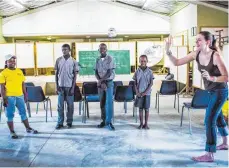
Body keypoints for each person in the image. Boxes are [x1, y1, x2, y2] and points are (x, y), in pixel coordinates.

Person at [165, 31, 228, 162]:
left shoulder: (215, 56)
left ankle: (209, 153)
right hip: (210, 91)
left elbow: (226, 77)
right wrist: (168, 51)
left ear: (208, 42)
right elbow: (177, 62)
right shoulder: (196, 54)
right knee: (218, 116)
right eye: (196, 40)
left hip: (220, 91)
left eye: (199, 40)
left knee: (209, 120)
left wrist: (212, 77)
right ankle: (225, 142)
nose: (196, 42)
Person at [0, 54, 38, 139]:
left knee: (23, 113)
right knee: (10, 115)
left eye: (14, 61)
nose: (13, 62)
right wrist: (4, 98)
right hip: (9, 97)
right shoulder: (3, 73)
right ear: (6, 62)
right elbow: (2, 87)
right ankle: (12, 131)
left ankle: (28, 128)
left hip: (20, 96)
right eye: (10, 61)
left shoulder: (19, 71)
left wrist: (25, 95)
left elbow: (23, 84)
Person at [55, 44, 79, 129]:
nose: (64, 51)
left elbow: (75, 76)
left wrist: (73, 88)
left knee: (70, 106)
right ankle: (60, 122)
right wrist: (56, 86)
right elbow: (56, 74)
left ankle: (69, 122)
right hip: (61, 86)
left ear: (69, 50)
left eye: (65, 49)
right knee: (60, 106)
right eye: (62, 50)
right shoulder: (58, 60)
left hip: (69, 87)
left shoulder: (73, 61)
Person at [94, 43, 116, 131]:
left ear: (106, 50)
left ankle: (109, 121)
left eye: (104, 48)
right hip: (101, 83)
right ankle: (103, 120)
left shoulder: (110, 58)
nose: (102, 49)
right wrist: (100, 81)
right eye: (100, 48)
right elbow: (95, 72)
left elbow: (109, 72)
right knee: (102, 102)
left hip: (108, 82)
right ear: (98, 50)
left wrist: (101, 81)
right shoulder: (97, 59)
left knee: (109, 103)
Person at [133, 55, 154, 129]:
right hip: (139, 93)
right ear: (139, 61)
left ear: (147, 61)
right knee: (140, 108)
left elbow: (151, 83)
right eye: (141, 61)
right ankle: (141, 123)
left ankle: (146, 124)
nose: (143, 62)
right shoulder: (137, 72)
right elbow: (135, 83)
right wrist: (137, 92)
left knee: (147, 108)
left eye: (144, 61)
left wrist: (145, 93)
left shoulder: (150, 72)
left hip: (147, 93)